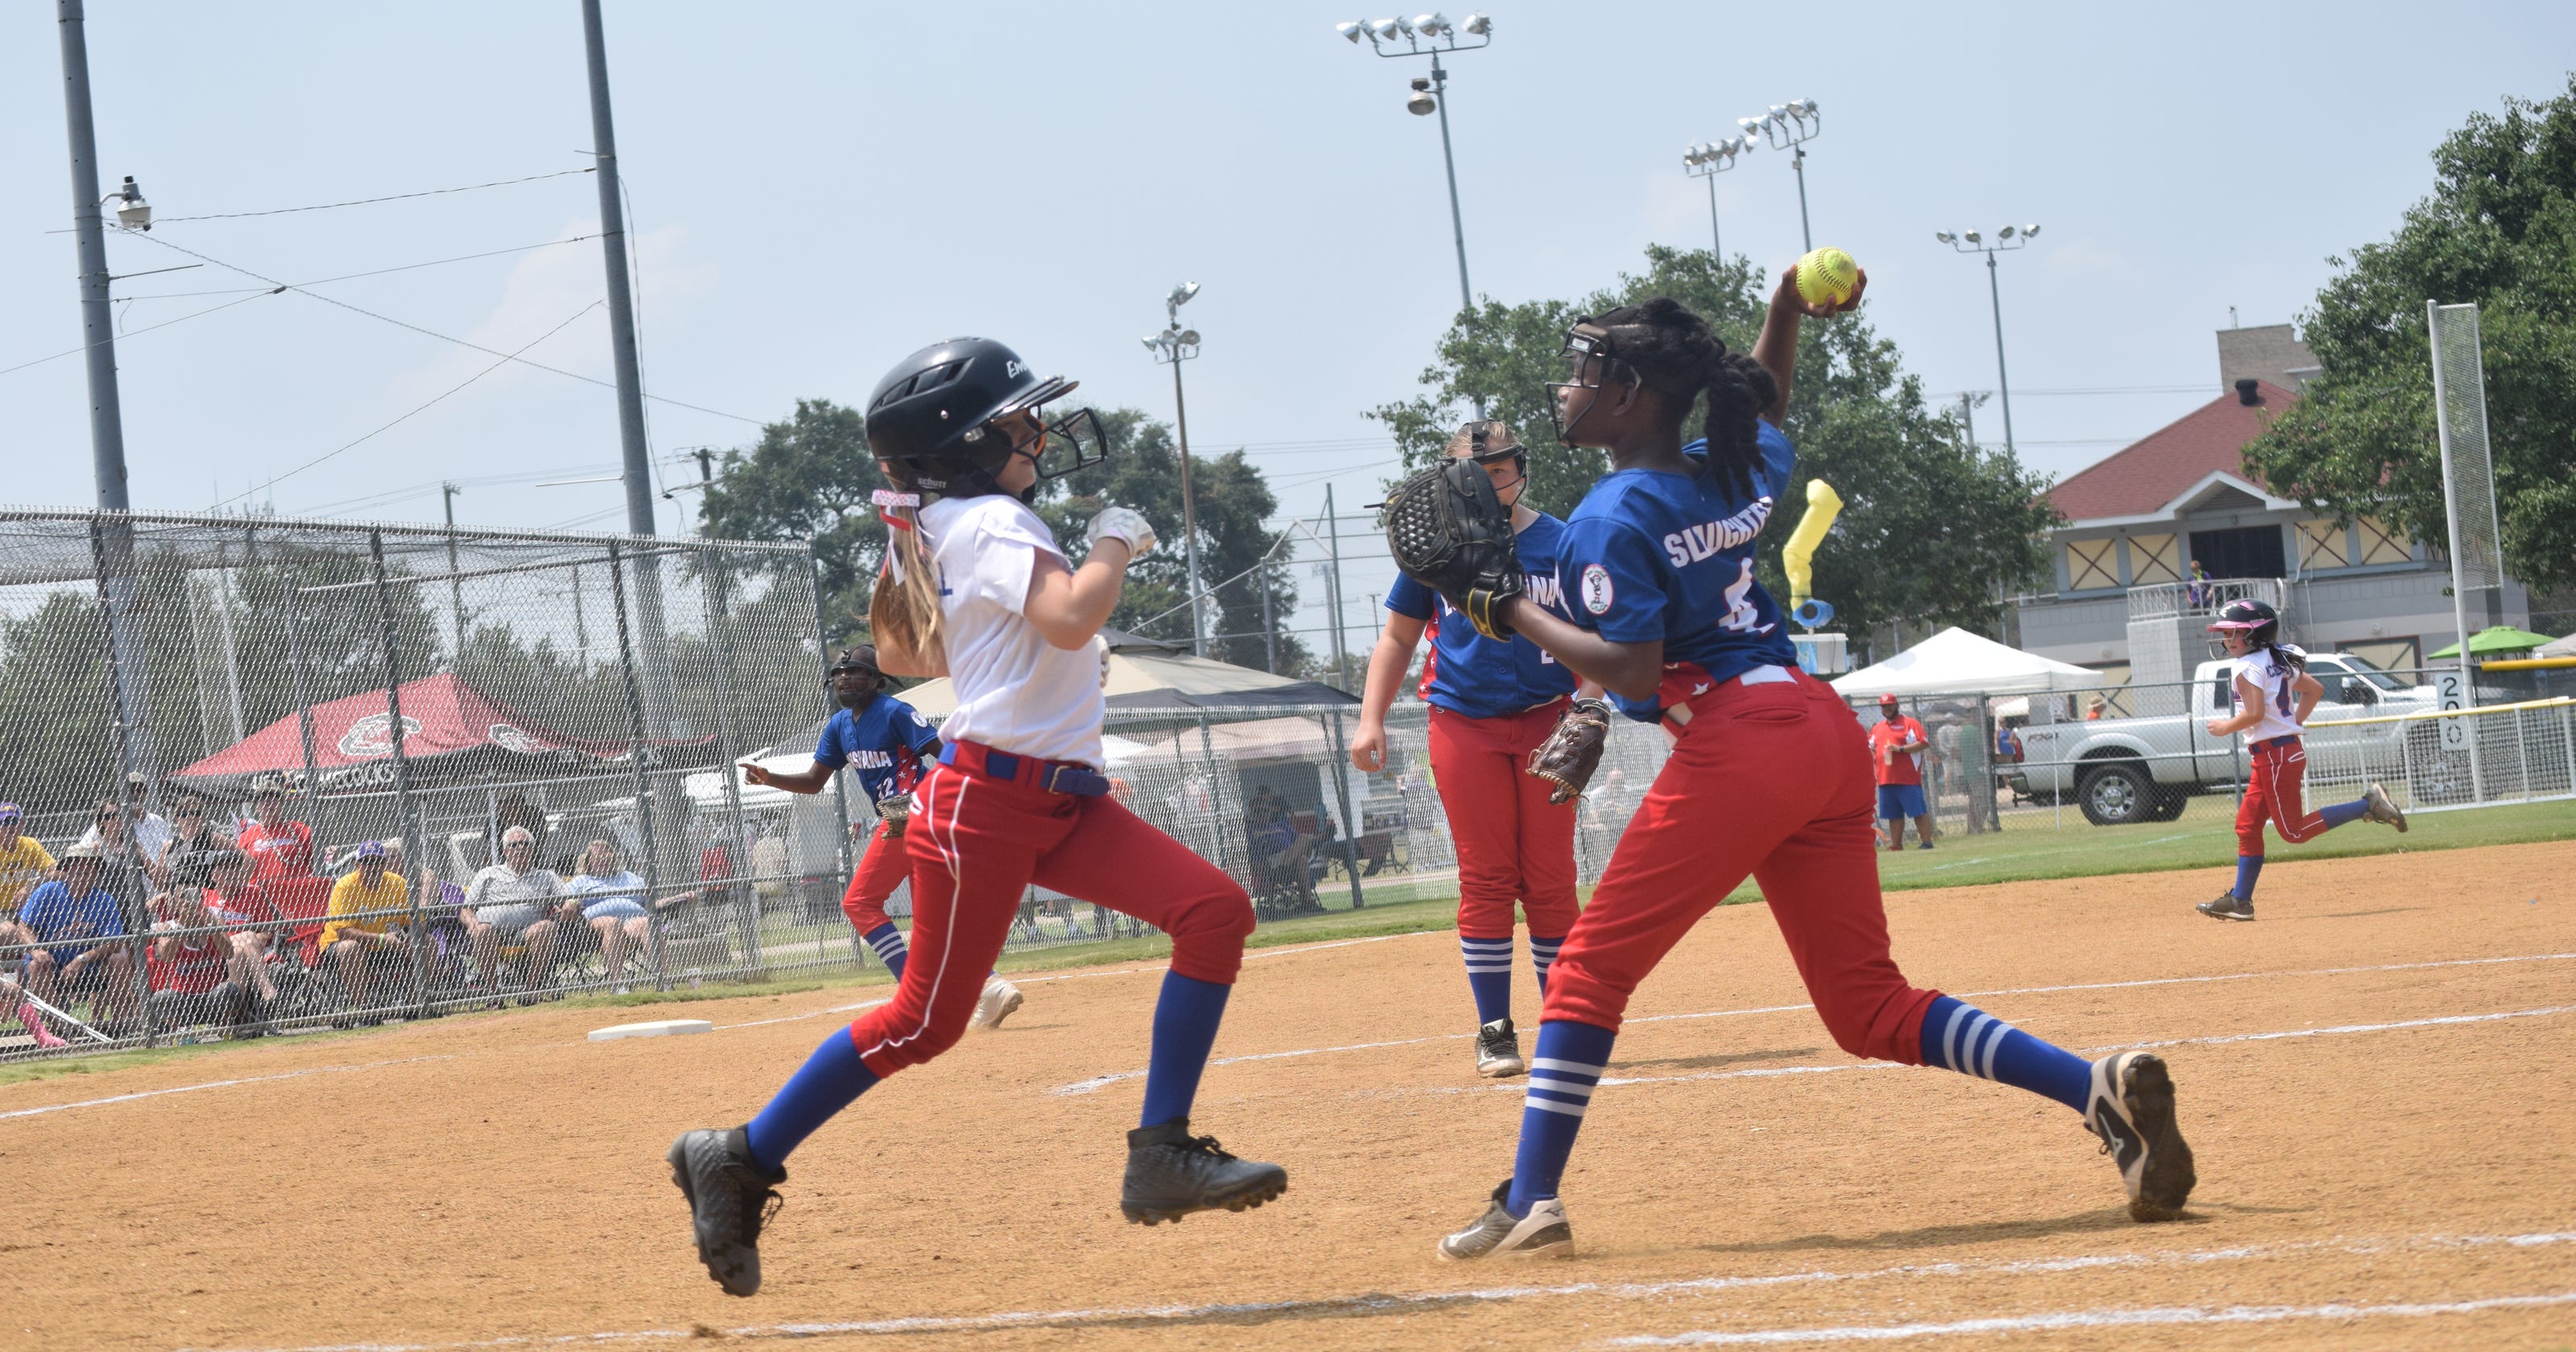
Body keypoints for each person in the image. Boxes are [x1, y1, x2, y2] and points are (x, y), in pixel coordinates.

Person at [1426, 272, 2198, 1261]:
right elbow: (1764, 402)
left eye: (1584, 372)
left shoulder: (1611, 512)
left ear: (1633, 396)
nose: (1564, 388)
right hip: (1818, 732)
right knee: (1865, 1006)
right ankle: (2090, 1087)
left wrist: (1504, 608)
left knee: (1582, 972)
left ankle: (1530, 1200)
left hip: (1740, 743)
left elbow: (1632, 667)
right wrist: (1784, 308)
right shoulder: (1729, 466)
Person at [670, 336, 1282, 1297]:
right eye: (1011, 420)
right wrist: (1116, 539)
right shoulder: (993, 520)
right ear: (958, 448)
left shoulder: (963, 518)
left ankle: (1160, 1150)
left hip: (1055, 799)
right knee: (923, 1023)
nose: (1033, 429)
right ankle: (738, 1152)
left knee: (1213, 912)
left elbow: (928, 651)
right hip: (988, 804)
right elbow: (1073, 617)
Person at [1350, 419, 1593, 1080]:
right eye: (1475, 472)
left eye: (1502, 467)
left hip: (1548, 720)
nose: (1491, 482)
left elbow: (1599, 630)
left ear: (1523, 468)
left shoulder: (1562, 540)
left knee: (1548, 880)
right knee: (1487, 878)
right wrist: (1371, 719)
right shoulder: (1438, 549)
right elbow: (1398, 639)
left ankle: (1566, 1023)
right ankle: (1494, 1029)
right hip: (1464, 723)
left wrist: (1591, 703)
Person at [741, 645, 1025, 1027]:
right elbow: (813, 781)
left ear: (877, 680)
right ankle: (992, 988)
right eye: (840, 673)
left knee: (860, 902)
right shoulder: (839, 725)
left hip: (915, 813)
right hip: (906, 818)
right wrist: (769, 777)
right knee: (931, 919)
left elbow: (946, 754)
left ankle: (918, 995)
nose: (845, 678)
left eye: (856, 672)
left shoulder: (895, 711)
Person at [2195, 599, 2408, 921]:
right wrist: (2292, 723)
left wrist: (2226, 727)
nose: (2226, 639)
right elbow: (2315, 690)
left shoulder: (2246, 666)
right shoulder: (2277, 658)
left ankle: (2369, 804)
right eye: (2225, 633)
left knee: (2293, 832)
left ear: (2255, 635)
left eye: (2233, 633)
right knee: (2247, 826)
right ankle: (2240, 900)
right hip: (2276, 753)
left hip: (2276, 756)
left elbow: (2255, 713)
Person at [18, 844, 138, 1033]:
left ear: (97, 870)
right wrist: (36, 950)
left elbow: (114, 942)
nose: (83, 871)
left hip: (88, 965)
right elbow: (23, 927)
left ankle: (118, 1026)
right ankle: (60, 1030)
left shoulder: (104, 900)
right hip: (51, 963)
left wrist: (82, 959)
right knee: (36, 965)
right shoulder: (47, 892)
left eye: (89, 865)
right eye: (76, 865)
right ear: (66, 869)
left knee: (119, 961)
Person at [565, 839, 689, 992]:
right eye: (598, 856)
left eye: (607, 854)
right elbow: (567, 903)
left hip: (631, 922)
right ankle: (618, 986)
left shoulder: (630, 878)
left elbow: (653, 904)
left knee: (646, 923)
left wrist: (678, 897)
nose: (603, 858)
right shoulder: (582, 881)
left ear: (614, 858)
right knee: (613, 923)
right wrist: (572, 902)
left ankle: (663, 981)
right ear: (589, 860)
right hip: (595, 928)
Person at [460, 826, 568, 999]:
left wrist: (570, 905)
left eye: (525, 844)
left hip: (525, 933)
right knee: (482, 931)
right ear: (505, 851)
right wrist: (472, 922)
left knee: (547, 927)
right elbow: (466, 909)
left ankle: (530, 991)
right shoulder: (488, 873)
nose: (520, 848)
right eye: (514, 845)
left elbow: (567, 900)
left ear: (532, 849)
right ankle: (495, 994)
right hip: (491, 931)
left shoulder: (546, 876)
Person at [145, 883, 255, 1035]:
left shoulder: (215, 921)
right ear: (175, 903)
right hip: (183, 999)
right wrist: (182, 925)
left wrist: (209, 924)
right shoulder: (166, 927)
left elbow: (229, 953)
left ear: (200, 899)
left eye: (192, 895)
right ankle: (181, 1033)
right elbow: (167, 956)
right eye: (182, 897)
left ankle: (223, 1029)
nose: (188, 901)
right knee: (161, 998)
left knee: (229, 990)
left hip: (212, 997)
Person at [321, 841, 412, 1012]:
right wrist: (382, 939)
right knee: (349, 948)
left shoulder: (397, 883)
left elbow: (416, 922)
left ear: (385, 864)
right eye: (367, 862)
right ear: (357, 865)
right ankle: (365, 1010)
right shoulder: (345, 885)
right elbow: (342, 932)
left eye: (378, 861)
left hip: (387, 944)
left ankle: (415, 1006)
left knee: (427, 942)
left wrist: (410, 937)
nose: (373, 867)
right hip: (347, 946)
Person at [1868, 694, 1935, 851]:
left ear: (1897, 705)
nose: (1887, 709)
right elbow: (1870, 746)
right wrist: (1876, 761)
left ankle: (1927, 842)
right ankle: (1897, 845)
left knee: (1918, 811)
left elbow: (1924, 742)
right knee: (1893, 814)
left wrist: (1901, 749)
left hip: (1908, 778)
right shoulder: (1878, 728)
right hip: (1886, 779)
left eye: (1890, 705)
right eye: (1884, 706)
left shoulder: (1910, 723)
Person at [80, 772, 173, 874]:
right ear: (121, 794)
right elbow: (81, 850)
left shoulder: (157, 821)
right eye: (130, 791)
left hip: (162, 880)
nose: (136, 794)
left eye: (140, 790)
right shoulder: (111, 823)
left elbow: (172, 850)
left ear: (147, 793)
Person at [0, 803, 56, 955]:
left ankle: (25, 967)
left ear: (22, 823)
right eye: (5, 822)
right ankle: (10, 973)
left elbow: (57, 872)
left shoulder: (30, 845)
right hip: (2, 910)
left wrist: (31, 886)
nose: (10, 827)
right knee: (9, 931)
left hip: (26, 908)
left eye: (14, 821)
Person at [236, 777, 315, 884]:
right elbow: (239, 870)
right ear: (257, 807)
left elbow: (317, 861)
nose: (269, 804)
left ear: (281, 804)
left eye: (273, 800)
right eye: (263, 800)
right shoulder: (246, 836)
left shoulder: (300, 830)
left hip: (298, 892)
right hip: (262, 896)